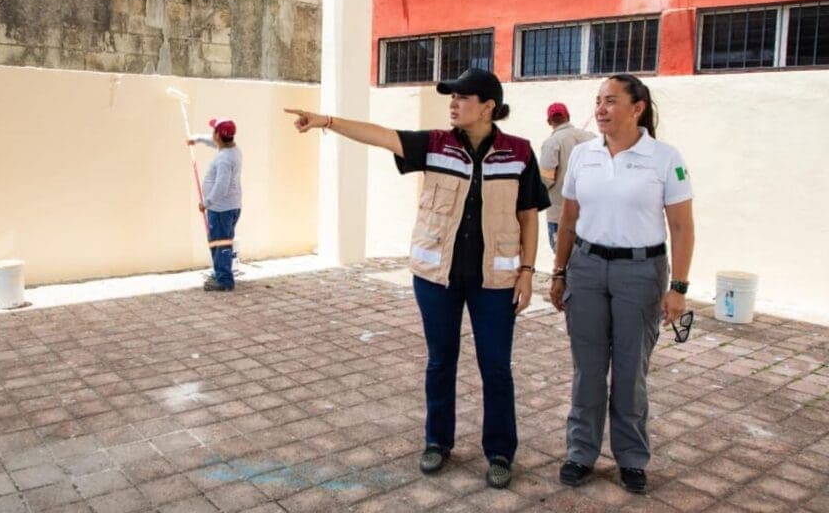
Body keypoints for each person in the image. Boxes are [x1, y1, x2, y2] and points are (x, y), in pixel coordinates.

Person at [285, 68, 549, 489]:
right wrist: (328, 122)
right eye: (452, 96)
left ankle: (500, 451)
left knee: (496, 366)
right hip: (436, 279)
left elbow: (529, 215)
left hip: (494, 283)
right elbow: (381, 135)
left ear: (488, 107)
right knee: (440, 361)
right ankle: (437, 442)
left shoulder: (519, 152)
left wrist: (527, 273)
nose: (453, 102)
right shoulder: (435, 144)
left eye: (463, 97)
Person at [549, 74, 695, 494]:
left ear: (638, 108)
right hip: (587, 268)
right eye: (597, 101)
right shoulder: (583, 156)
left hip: (641, 272)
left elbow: (682, 228)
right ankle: (581, 452)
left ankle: (631, 458)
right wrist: (559, 273)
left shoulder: (664, 158)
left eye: (611, 101)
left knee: (631, 370)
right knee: (588, 370)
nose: (600, 109)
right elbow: (569, 221)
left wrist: (678, 288)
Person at [188, 118, 242, 291]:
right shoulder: (233, 149)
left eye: (214, 132)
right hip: (230, 207)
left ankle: (224, 280)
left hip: (221, 209)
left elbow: (221, 186)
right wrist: (196, 139)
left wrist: (206, 202)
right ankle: (221, 273)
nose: (212, 135)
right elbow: (214, 143)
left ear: (218, 135)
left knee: (220, 244)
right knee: (221, 242)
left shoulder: (224, 159)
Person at [539, 102, 594, 252]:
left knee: (562, 259)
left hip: (560, 213)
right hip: (590, 212)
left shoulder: (552, 143)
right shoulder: (591, 138)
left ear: (549, 121)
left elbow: (546, 179)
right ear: (568, 117)